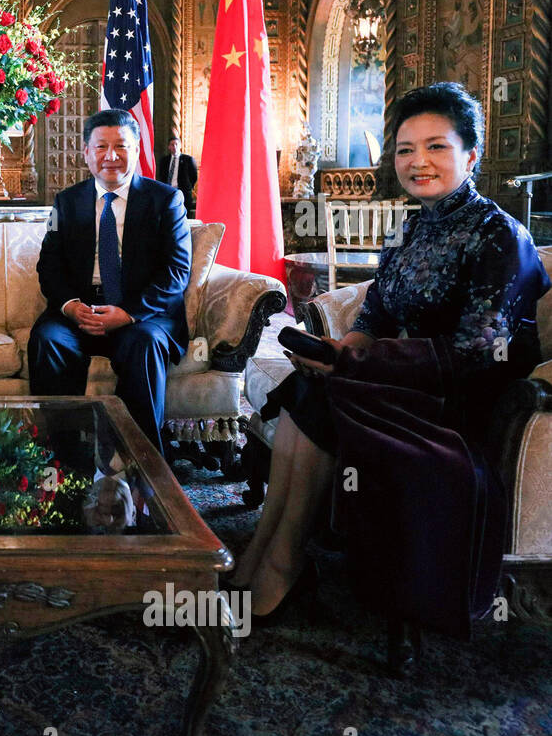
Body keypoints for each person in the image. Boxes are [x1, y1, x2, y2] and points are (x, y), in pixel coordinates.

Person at [232, 82, 549, 646]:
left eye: (436, 147)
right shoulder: (411, 227)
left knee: (328, 398)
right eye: (405, 149)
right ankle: (262, 550)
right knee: (307, 389)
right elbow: (374, 312)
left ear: (470, 155)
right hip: (397, 384)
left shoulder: (499, 234)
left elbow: (478, 352)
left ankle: (280, 566)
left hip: (460, 403)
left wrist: (364, 365)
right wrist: (342, 351)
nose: (418, 162)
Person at [28, 109, 192, 455]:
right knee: (47, 340)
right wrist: (71, 308)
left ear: (137, 149)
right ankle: (64, 456)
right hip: (80, 312)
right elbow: (50, 266)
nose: (111, 156)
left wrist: (127, 313)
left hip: (139, 315)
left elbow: (176, 272)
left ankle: (143, 459)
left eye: (121, 146)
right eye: (101, 147)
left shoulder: (165, 201)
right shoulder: (66, 202)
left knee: (144, 344)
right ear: (86, 152)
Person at [156, 135, 198, 216]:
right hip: (167, 192)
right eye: (172, 145)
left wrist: (188, 187)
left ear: (180, 146)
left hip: (183, 193)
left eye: (176, 144)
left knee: (184, 216)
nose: (174, 147)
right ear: (169, 147)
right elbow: (161, 175)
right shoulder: (164, 160)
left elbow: (194, 176)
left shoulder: (188, 160)